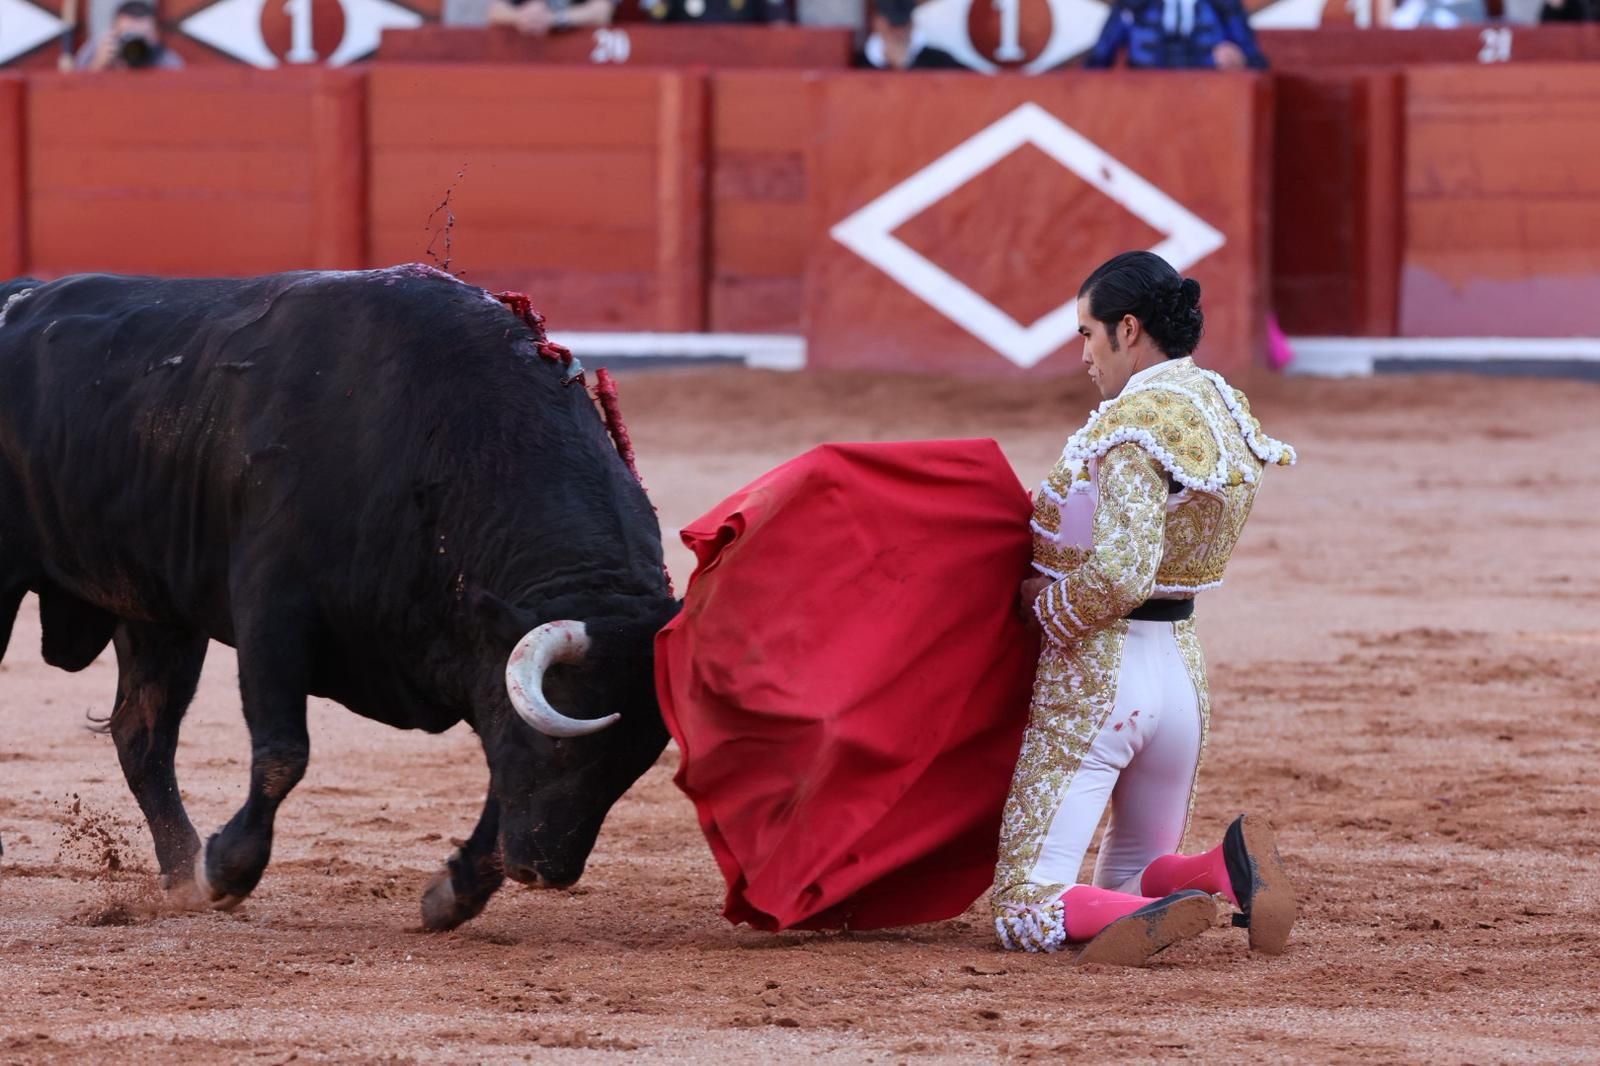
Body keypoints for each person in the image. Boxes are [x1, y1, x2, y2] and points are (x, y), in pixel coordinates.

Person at [991, 251, 1297, 966]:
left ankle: (1167, 901)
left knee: (1026, 903)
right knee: (1126, 879)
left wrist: (1046, 608)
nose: (1084, 354)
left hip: (1099, 679)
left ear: (1127, 329)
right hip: (1181, 677)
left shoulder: (1132, 424)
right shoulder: (1221, 405)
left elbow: (1123, 571)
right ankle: (1214, 872)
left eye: (1087, 334)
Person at [1083, 0, 1266, 69]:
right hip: (1146, 98)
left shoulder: (1223, 6)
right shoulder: (1132, 6)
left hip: (1207, 97)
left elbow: (1255, 61)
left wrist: (1239, 62)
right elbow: (1098, 62)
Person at [75, 0, 184, 71]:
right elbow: (75, 91)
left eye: (142, 36)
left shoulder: (166, 60)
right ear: (114, 33)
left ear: (155, 36)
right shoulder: (98, 49)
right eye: (128, 35)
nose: (134, 45)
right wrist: (97, 64)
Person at [487, 0, 617, 35]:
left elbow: (602, 13)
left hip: (581, 56)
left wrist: (554, 19)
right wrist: (521, 17)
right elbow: (494, 11)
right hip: (532, 57)